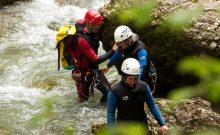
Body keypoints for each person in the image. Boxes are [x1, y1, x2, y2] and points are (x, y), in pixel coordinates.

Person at [107, 58, 168, 134]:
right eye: (130, 79)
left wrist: (163, 124)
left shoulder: (143, 87)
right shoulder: (115, 91)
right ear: (124, 76)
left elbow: (152, 105)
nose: (133, 82)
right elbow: (111, 114)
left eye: (135, 79)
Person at [70, 9, 118, 103]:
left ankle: (102, 111)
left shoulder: (92, 31)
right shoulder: (81, 40)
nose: (98, 27)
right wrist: (112, 50)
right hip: (82, 74)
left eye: (99, 24)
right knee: (83, 101)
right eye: (96, 24)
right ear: (88, 23)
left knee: (109, 93)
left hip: (94, 72)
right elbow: (95, 59)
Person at [103, 25, 157, 93]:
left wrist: (136, 84)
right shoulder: (124, 45)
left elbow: (142, 68)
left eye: (120, 43)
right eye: (118, 43)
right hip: (130, 76)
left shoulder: (140, 50)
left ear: (128, 40)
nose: (119, 45)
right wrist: (108, 65)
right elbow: (118, 53)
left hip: (144, 77)